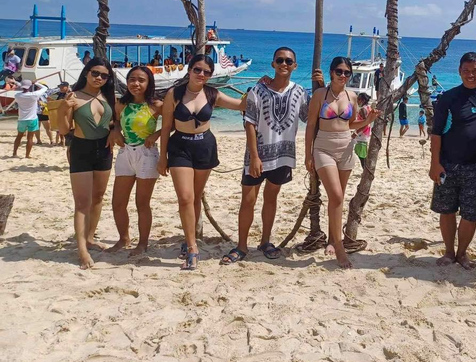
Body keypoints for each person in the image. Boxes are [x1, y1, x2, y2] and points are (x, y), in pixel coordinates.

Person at [221, 48, 324, 265]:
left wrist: (322, 88)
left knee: (271, 198)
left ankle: (265, 241)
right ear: (273, 64)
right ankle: (241, 245)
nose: (284, 64)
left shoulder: (299, 93)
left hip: (282, 155)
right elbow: (249, 123)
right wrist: (255, 156)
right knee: (248, 200)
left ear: (295, 65)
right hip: (257, 155)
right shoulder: (258, 90)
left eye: (288, 61)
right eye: (280, 60)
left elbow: (313, 117)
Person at [157, 54, 246, 270]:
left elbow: (242, 106)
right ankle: (192, 247)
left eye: (206, 72)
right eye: (197, 69)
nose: (201, 74)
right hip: (180, 147)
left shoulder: (212, 94)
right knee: (185, 198)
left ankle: (191, 237)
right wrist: (162, 157)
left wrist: (261, 87)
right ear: (189, 70)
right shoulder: (174, 94)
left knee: (195, 197)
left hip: (204, 146)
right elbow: (167, 127)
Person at [429, 52, 476, 270]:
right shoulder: (448, 98)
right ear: (459, 72)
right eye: (466, 71)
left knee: (470, 214)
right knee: (447, 210)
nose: (470, 75)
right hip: (447, 164)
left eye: (475, 71)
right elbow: (436, 133)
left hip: (474, 165)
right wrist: (435, 163)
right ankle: (449, 252)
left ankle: (462, 254)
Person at [305, 56, 379, 268]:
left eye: (347, 73)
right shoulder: (320, 95)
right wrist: (307, 154)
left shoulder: (352, 96)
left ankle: (331, 239)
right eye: (339, 71)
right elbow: (311, 124)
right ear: (331, 73)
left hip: (346, 148)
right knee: (336, 195)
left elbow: (352, 124)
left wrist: (368, 120)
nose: (343, 76)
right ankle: (339, 247)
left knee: (338, 198)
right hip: (323, 148)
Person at [58, 58, 117, 269]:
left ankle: (90, 238)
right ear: (86, 73)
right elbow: (64, 130)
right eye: (95, 73)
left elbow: (115, 122)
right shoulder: (74, 97)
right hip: (81, 149)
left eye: (104, 75)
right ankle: (82, 250)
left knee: (99, 197)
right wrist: (65, 108)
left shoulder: (109, 97)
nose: (99, 78)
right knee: (82, 202)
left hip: (104, 150)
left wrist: (114, 131)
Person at [106, 66, 163, 255]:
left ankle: (143, 243)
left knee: (142, 203)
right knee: (118, 202)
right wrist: (115, 132)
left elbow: (174, 125)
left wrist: (157, 134)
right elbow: (114, 122)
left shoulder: (156, 105)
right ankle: (123, 238)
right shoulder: (121, 104)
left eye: (141, 80)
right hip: (125, 153)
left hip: (147, 155)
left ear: (149, 83)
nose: (135, 84)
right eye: (132, 79)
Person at [12, 80, 48, 158]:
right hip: (32, 118)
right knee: (30, 138)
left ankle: (14, 153)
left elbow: (21, 87)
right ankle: (27, 155)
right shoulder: (34, 95)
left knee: (19, 136)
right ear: (30, 87)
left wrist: (18, 83)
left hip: (22, 119)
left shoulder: (17, 95)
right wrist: (36, 83)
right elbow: (45, 88)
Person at [353, 93, 373, 167]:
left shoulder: (363, 109)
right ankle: (365, 169)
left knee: (361, 154)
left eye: (358, 100)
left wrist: (356, 132)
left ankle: (365, 170)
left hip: (362, 133)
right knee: (361, 152)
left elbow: (365, 123)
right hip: (366, 132)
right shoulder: (369, 107)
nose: (357, 101)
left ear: (362, 100)